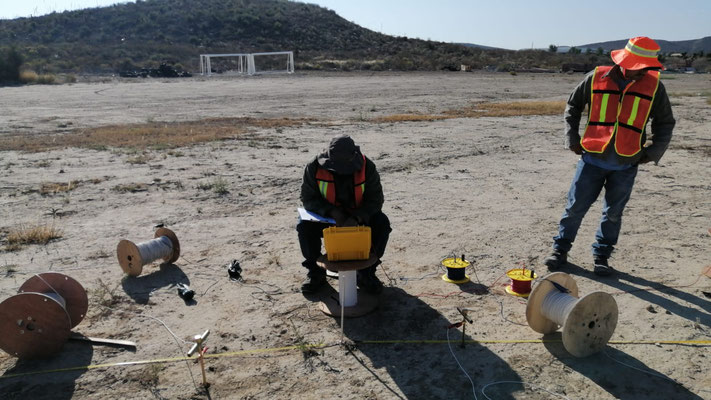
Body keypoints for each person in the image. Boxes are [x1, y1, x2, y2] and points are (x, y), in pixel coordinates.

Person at [544, 36, 675, 276]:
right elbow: (573, 106)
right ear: (625, 62)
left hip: (626, 164)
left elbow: (665, 123)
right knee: (574, 208)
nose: (643, 72)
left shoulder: (655, 86)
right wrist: (571, 138)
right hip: (592, 159)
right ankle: (559, 251)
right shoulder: (596, 76)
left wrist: (651, 152)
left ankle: (601, 256)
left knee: (613, 213)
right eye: (639, 67)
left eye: (647, 68)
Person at [297, 134, 391, 293]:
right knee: (304, 227)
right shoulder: (314, 166)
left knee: (382, 224)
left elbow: (375, 199)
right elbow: (307, 198)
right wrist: (332, 212)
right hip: (327, 218)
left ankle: (367, 273)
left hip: (358, 217)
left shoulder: (367, 166)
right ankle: (315, 274)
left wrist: (357, 217)